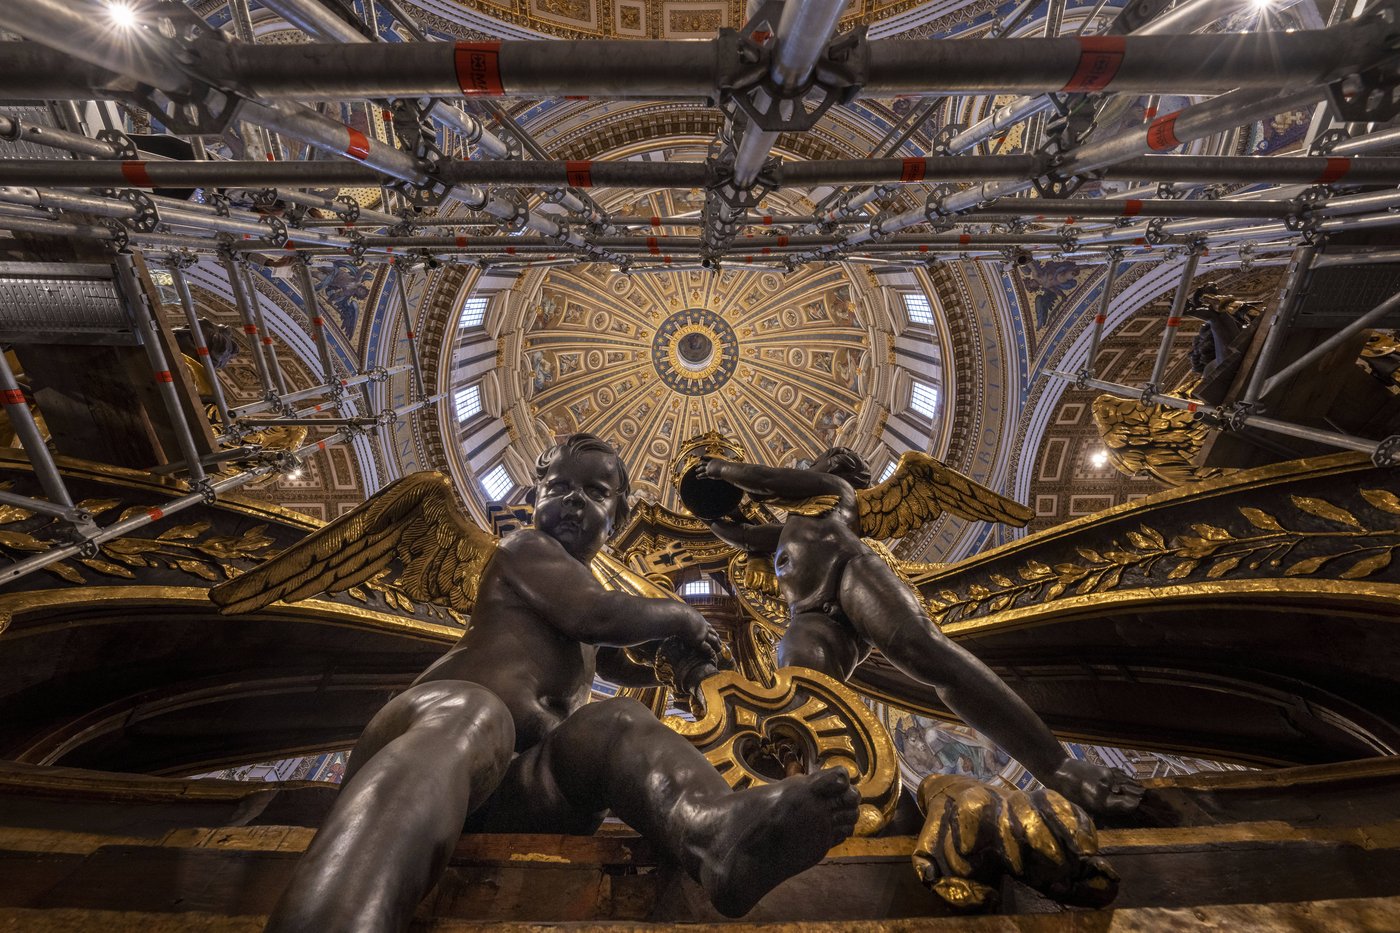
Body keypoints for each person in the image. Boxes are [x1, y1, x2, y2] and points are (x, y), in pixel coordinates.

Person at [264, 434, 860, 931]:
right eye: (559, 488)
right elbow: (597, 615)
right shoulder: (527, 551)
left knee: (617, 723)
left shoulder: (578, 617)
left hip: (513, 790)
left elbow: (616, 650)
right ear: (532, 501)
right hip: (430, 742)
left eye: (596, 492)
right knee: (482, 715)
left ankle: (714, 833)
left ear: (620, 517)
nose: (574, 501)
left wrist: (678, 664)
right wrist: (681, 616)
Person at [703, 447, 1143, 816]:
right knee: (803, 698)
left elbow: (766, 480)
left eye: (818, 462)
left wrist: (719, 468)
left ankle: (1059, 769)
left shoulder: (833, 493)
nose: (809, 469)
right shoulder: (787, 529)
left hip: (852, 576)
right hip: (809, 616)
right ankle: (822, 800)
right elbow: (738, 536)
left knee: (925, 652)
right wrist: (707, 503)